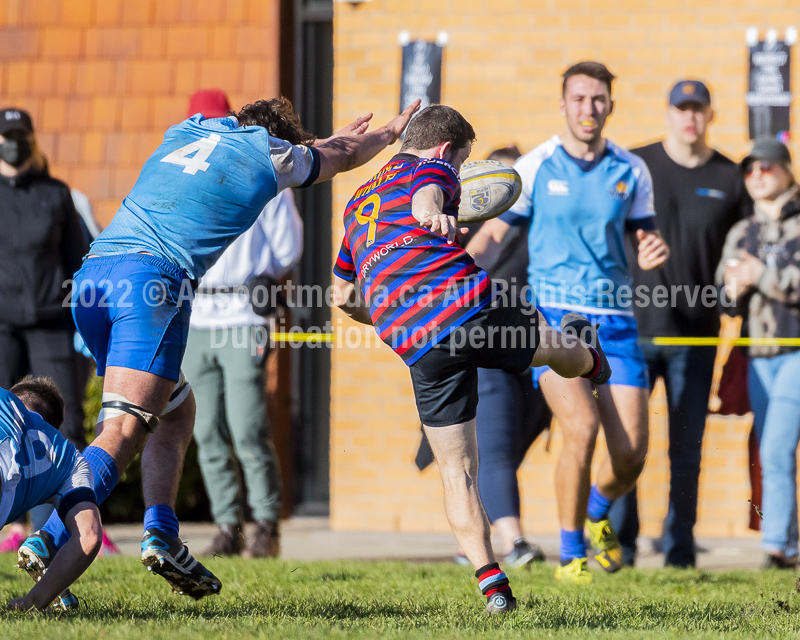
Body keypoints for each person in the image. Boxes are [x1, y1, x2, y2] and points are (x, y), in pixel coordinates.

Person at [18, 96, 422, 601]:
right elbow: (336, 157)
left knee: (177, 411)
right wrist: (384, 137)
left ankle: (161, 532)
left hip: (94, 278)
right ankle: (50, 535)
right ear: (281, 142)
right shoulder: (269, 154)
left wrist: (319, 141)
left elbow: (277, 145)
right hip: (152, 285)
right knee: (122, 429)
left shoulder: (185, 131)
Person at [331, 104, 612, 614]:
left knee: (456, 469)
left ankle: (492, 586)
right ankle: (592, 360)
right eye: (462, 161)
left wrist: (396, 311)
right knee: (552, 346)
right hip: (464, 304)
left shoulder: (357, 203)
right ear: (445, 149)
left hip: (415, 341)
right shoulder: (431, 168)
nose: (459, 171)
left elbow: (344, 296)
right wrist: (433, 213)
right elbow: (429, 193)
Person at [467, 61, 670, 584]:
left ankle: (599, 512)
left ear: (610, 105)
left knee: (630, 457)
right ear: (563, 104)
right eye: (579, 98)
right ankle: (571, 554)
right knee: (580, 427)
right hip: (555, 322)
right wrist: (453, 268)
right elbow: (494, 233)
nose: (589, 108)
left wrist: (651, 248)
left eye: (598, 99)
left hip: (616, 324)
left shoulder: (630, 170)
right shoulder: (535, 168)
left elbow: (645, 236)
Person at [608, 81, 751, 567]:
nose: (689, 117)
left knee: (686, 449)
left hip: (696, 335)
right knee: (626, 445)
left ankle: (680, 552)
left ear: (710, 115)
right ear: (668, 113)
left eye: (698, 109)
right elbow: (604, 228)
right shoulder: (633, 164)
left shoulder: (730, 177)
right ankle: (622, 548)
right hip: (634, 332)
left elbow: (746, 246)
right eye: (681, 108)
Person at [181, 89, 301, 558]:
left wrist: (262, 275)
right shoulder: (186, 182)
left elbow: (289, 245)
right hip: (197, 316)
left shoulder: (258, 178)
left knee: (247, 424)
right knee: (206, 428)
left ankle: (266, 524)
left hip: (243, 312)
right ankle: (226, 525)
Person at [457, 145, 551, 567]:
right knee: (493, 447)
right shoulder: (465, 227)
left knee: (508, 449)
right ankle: (514, 542)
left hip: (538, 341)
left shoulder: (538, 221)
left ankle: (471, 540)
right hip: (486, 336)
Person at [0, 107, 89, 552]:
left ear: (32, 140)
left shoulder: (56, 194)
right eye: (6, 135)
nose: (13, 143)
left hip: (50, 327)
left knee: (62, 425)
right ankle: (9, 526)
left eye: (20, 135)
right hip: (1, 329)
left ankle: (50, 533)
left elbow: (81, 261)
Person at [717, 138, 800, 569]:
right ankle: (786, 540)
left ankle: (778, 546)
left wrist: (761, 274)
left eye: (766, 167)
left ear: (787, 170)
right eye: (750, 170)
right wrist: (731, 289)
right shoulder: (742, 230)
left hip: (795, 351)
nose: (757, 176)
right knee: (771, 448)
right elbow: (724, 297)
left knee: (776, 448)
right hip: (759, 355)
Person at [0, 377, 101, 612]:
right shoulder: (70, 458)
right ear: (53, 425)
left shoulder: (3, 398)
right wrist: (33, 600)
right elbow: (90, 537)